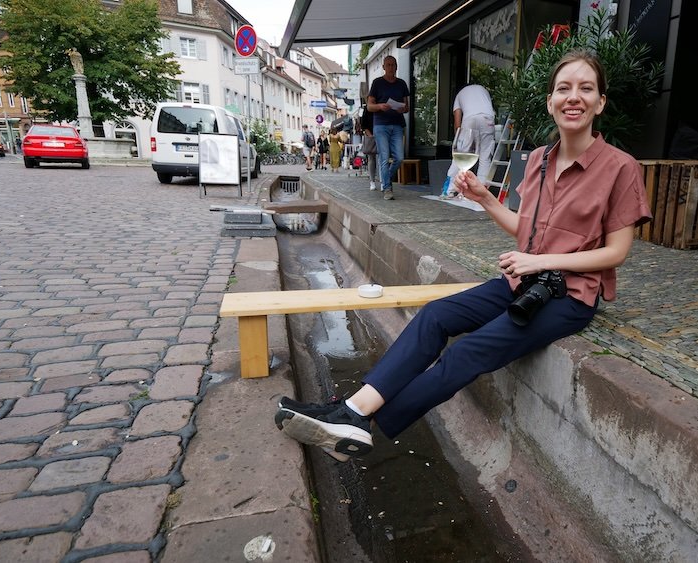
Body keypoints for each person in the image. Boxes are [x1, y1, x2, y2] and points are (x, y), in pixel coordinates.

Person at [275, 50, 652, 462]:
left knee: (466, 352)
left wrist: (542, 262)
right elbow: (524, 227)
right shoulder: (539, 161)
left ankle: (361, 425)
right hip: (523, 280)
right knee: (436, 315)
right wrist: (485, 199)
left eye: (585, 89)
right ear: (551, 101)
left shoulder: (621, 167)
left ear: (600, 102)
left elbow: (615, 253)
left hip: (570, 296)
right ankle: (349, 412)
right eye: (563, 88)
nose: (573, 97)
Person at [367, 55, 410, 201]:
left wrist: (402, 109)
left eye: (393, 65)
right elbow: (369, 106)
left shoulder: (402, 84)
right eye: (388, 65)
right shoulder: (377, 83)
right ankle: (387, 188)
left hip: (397, 124)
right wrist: (380, 106)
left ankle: (386, 180)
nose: (391, 67)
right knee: (384, 158)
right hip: (381, 124)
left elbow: (407, 106)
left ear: (397, 67)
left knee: (399, 158)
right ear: (384, 67)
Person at [444, 84, 496, 196]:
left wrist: (458, 141)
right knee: (485, 158)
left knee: (460, 156)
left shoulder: (459, 95)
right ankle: (480, 192)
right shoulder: (483, 90)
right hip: (487, 119)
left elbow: (457, 123)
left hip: (470, 119)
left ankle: (449, 191)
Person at [360, 106, 379, 190]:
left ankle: (383, 182)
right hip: (371, 134)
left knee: (382, 158)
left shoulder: (382, 105)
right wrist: (370, 135)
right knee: (371, 157)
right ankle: (372, 181)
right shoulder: (367, 109)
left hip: (382, 133)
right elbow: (363, 124)